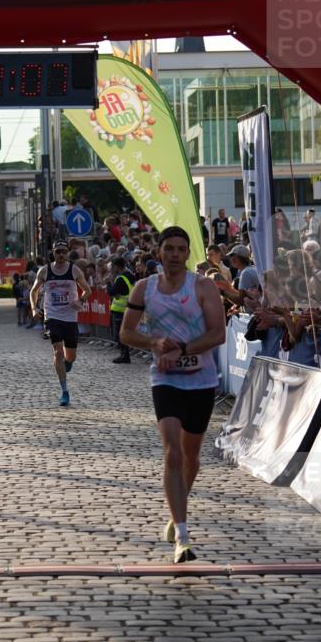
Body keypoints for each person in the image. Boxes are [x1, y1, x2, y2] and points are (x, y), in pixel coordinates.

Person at [120, 226, 226, 563]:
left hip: (201, 379)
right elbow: (126, 332)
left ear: (188, 253)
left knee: (191, 457)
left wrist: (182, 349)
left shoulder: (203, 286)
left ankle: (175, 511)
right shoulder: (144, 288)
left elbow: (219, 333)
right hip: (165, 379)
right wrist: (153, 343)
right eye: (169, 249)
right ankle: (182, 535)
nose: (176, 255)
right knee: (172, 454)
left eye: (182, 249)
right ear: (159, 252)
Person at [29, 241, 91, 407]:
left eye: (64, 252)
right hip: (52, 316)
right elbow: (33, 291)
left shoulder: (74, 270)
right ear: (53, 253)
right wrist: (34, 308)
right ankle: (64, 391)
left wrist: (81, 300)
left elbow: (88, 289)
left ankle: (68, 363)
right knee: (57, 352)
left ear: (68, 252)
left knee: (70, 356)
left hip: (70, 317)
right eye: (58, 252)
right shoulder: (45, 271)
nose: (61, 255)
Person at [107, 255, 135, 364]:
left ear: (116, 267)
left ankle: (124, 355)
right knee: (124, 333)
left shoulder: (120, 278)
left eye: (112, 266)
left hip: (120, 310)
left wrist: (109, 284)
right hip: (129, 308)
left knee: (120, 334)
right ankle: (125, 354)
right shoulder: (130, 275)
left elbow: (111, 292)